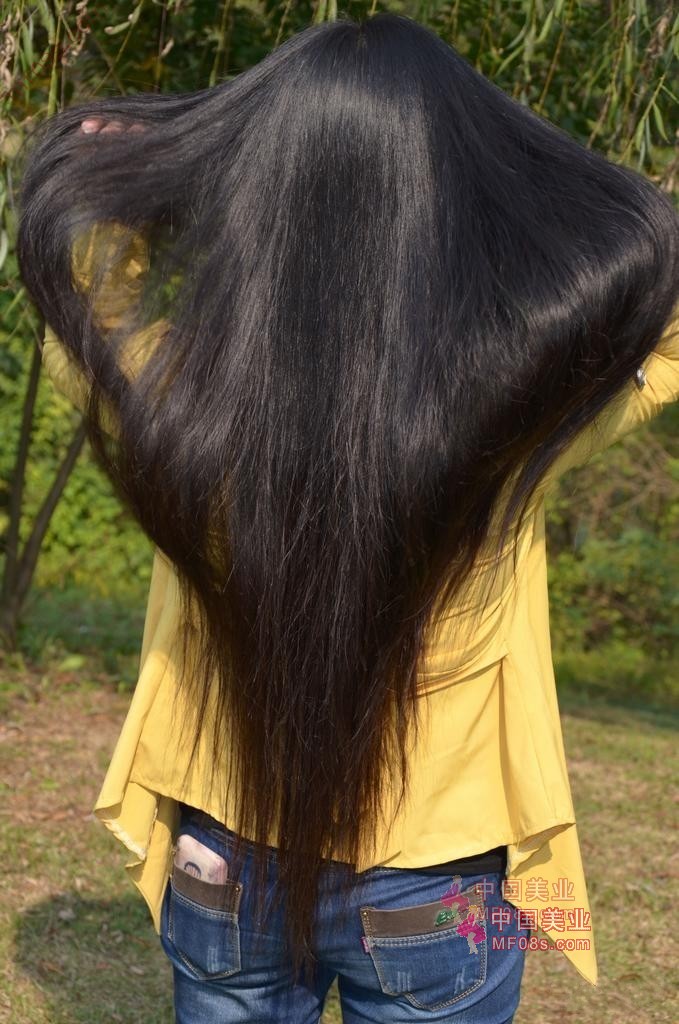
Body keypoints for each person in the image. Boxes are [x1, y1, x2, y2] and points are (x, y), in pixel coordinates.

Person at [15, 11, 679, 1023]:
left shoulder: (177, 400)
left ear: (259, 192)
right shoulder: (503, 418)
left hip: (222, 857)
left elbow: (85, 306)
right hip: (440, 879)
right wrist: (531, 179)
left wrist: (120, 180)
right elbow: (663, 328)